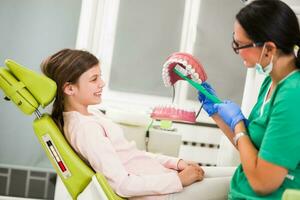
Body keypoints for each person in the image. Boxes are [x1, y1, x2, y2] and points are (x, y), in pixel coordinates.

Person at [41, 48, 234, 200]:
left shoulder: (90, 116)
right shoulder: (85, 129)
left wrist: (176, 163)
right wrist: (179, 179)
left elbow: (132, 156)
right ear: (69, 88)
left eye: (100, 76)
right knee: (245, 182)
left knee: (238, 173)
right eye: (94, 79)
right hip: (164, 193)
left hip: (164, 179)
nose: (102, 83)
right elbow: (123, 185)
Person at [198, 0, 300, 199]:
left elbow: (263, 182)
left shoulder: (293, 96)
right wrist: (217, 114)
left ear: (268, 49)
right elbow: (251, 149)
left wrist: (238, 124)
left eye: (239, 45)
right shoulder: (271, 83)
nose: (236, 51)